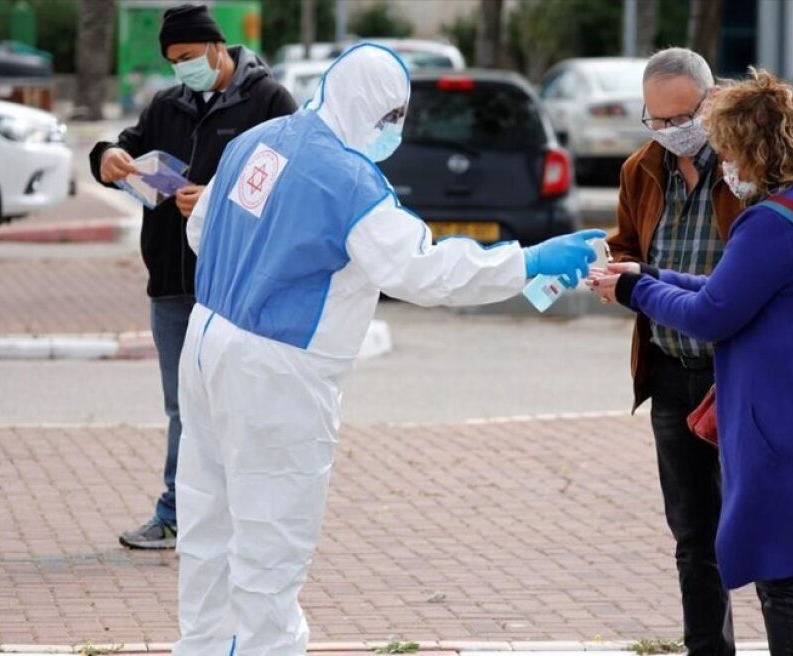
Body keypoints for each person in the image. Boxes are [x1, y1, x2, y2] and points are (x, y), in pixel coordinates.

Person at [173, 42, 605, 655]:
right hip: (280, 368)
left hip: (208, 339)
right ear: (368, 106)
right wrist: (528, 261)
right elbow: (422, 271)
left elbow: (199, 230)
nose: (394, 132)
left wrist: (257, 260)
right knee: (272, 537)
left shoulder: (259, 140)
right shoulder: (350, 182)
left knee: (207, 521)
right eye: (391, 118)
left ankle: (204, 647)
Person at [589, 68, 793, 655]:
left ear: (756, 149)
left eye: (730, 150)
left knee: (789, 579)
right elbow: (736, 287)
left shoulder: (771, 221)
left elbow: (716, 313)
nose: (726, 164)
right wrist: (654, 274)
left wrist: (634, 292)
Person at [89, 3, 297, 550]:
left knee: (242, 405)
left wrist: (215, 201)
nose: (182, 69)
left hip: (236, 287)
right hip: (172, 286)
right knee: (185, 407)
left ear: (215, 46)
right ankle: (176, 513)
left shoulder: (269, 103)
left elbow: (293, 184)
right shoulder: (167, 105)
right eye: (173, 61)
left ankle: (250, 518)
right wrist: (108, 155)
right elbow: (128, 147)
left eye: (187, 57)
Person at [604, 47, 742, 654]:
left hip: (737, 373)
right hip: (669, 373)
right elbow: (629, 246)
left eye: (678, 119)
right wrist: (608, 270)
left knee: (763, 526)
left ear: (711, 105)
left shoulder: (744, 171)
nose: (667, 134)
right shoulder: (642, 168)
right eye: (654, 121)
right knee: (693, 534)